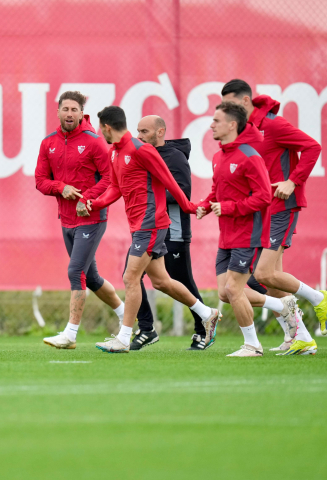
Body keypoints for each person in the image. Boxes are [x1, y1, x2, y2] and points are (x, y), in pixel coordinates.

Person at [83, 106, 221, 353]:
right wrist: (95, 203)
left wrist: (189, 207)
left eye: (100, 128)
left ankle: (125, 338)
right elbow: (116, 188)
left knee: (130, 277)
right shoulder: (114, 153)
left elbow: (170, 181)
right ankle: (207, 313)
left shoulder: (141, 149)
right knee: (162, 282)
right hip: (137, 225)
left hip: (152, 223)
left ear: (106, 127)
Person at [222, 79, 327, 354]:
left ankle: (319, 298)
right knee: (267, 280)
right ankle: (301, 337)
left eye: (232, 103)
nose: (226, 110)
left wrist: (293, 181)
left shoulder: (273, 124)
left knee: (263, 273)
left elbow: (312, 147)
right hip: (263, 210)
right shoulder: (248, 132)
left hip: (282, 206)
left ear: (245, 101)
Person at [197, 102, 299, 357]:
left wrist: (229, 207)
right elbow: (216, 192)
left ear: (232, 125)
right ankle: (282, 305)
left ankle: (252, 345)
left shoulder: (250, 156)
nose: (211, 125)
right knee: (224, 292)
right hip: (226, 235)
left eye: (216, 121)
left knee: (234, 289)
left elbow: (264, 197)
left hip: (249, 234)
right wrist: (205, 206)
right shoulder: (218, 157)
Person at [35, 91, 126, 350]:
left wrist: (87, 199)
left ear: (81, 112)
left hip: (92, 217)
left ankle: (70, 335)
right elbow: (40, 181)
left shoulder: (95, 141)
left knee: (75, 272)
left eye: (74, 109)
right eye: (65, 109)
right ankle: (127, 318)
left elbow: (110, 180)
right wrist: (60, 187)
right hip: (66, 219)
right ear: (58, 112)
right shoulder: (48, 142)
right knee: (92, 277)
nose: (69, 114)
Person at [128, 116, 208, 351]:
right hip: (148, 229)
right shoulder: (141, 155)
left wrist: (147, 192)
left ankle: (203, 329)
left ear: (160, 132)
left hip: (173, 231)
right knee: (131, 276)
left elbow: (183, 193)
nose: (139, 136)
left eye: (144, 131)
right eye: (138, 130)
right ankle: (146, 328)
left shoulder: (175, 157)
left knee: (182, 282)